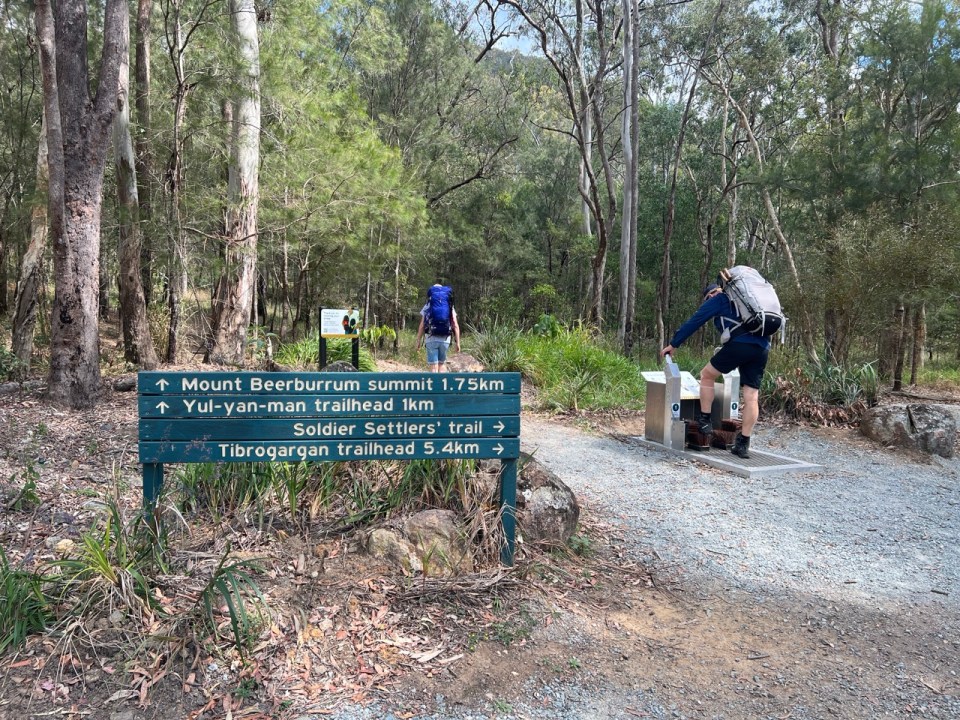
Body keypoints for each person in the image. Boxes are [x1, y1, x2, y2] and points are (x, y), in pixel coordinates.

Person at [659, 282, 770, 459]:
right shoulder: (749, 300)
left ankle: (704, 420)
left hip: (740, 344)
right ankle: (743, 444)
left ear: (710, 295)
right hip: (762, 347)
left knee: (707, 375)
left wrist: (674, 343)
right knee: (751, 396)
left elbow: (695, 321)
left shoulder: (719, 299)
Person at [415, 284, 461, 372]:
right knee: (442, 364)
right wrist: (457, 342)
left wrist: (418, 341)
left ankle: (434, 385)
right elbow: (455, 324)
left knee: (433, 366)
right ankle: (443, 385)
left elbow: (422, 325)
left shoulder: (428, 305)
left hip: (431, 338)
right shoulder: (449, 306)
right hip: (445, 339)